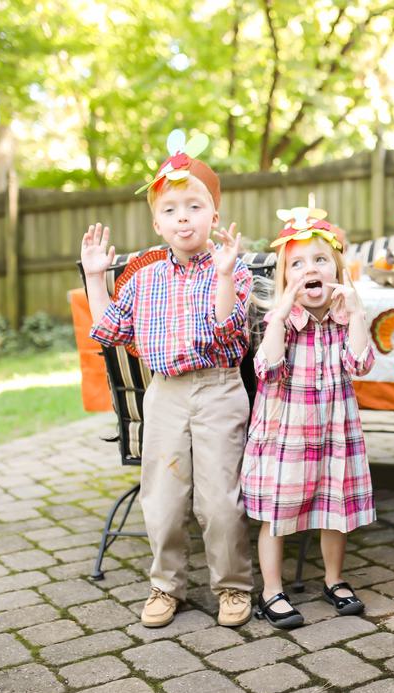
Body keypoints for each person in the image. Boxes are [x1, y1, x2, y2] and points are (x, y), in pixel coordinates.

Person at [80, 129, 256, 629]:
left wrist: (225, 275)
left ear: (214, 217)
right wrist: (96, 277)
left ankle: (232, 585)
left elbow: (226, 328)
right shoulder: (144, 278)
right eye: (172, 209)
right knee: (163, 497)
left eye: (195, 207)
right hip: (166, 393)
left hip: (219, 388)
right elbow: (109, 330)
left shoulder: (232, 269)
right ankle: (165, 584)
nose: (184, 217)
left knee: (219, 500)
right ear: (157, 223)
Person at [242, 206, 376, 629]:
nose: (310, 269)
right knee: (277, 514)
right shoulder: (282, 321)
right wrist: (280, 314)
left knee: (335, 508)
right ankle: (271, 590)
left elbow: (360, 364)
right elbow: (266, 369)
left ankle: (334, 580)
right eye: (297, 264)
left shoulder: (342, 320)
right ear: (285, 279)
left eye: (320, 260)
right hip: (287, 434)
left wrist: (357, 314)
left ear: (337, 271)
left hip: (334, 431)